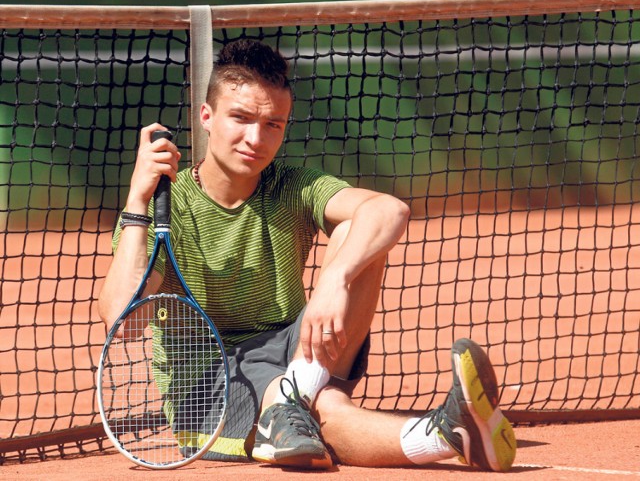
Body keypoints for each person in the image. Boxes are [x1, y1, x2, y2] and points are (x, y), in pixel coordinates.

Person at [98, 39, 516, 472]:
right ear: (207, 116)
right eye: (240, 118)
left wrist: (334, 280)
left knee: (358, 228)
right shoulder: (171, 206)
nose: (255, 139)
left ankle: (291, 394)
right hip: (211, 387)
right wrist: (138, 199)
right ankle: (445, 432)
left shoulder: (290, 185)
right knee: (329, 406)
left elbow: (391, 210)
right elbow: (123, 324)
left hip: (296, 354)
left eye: (273, 124)